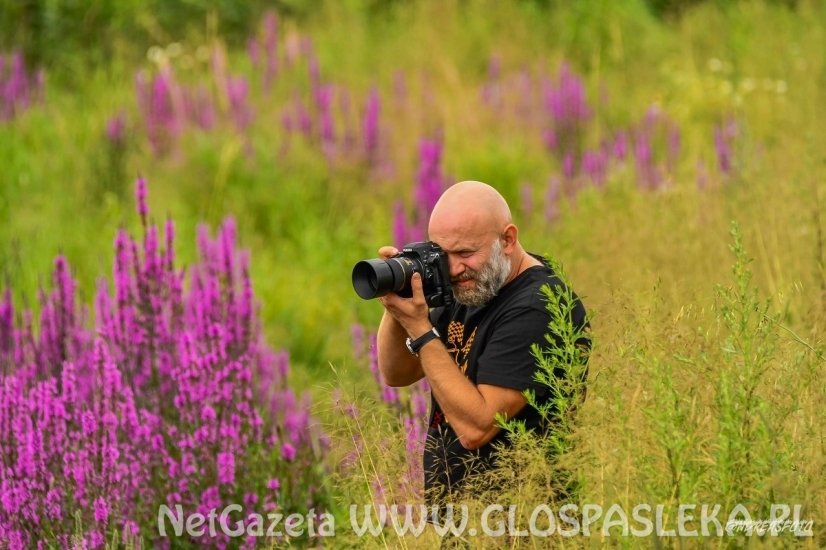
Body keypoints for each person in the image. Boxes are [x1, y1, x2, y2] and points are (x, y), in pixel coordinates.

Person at [376, 180, 590, 506]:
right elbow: (396, 373)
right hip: (465, 520)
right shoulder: (473, 282)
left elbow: (477, 428)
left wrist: (421, 329)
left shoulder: (538, 305)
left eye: (465, 252)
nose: (453, 268)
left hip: (522, 522)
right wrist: (399, 302)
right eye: (441, 254)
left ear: (507, 239)